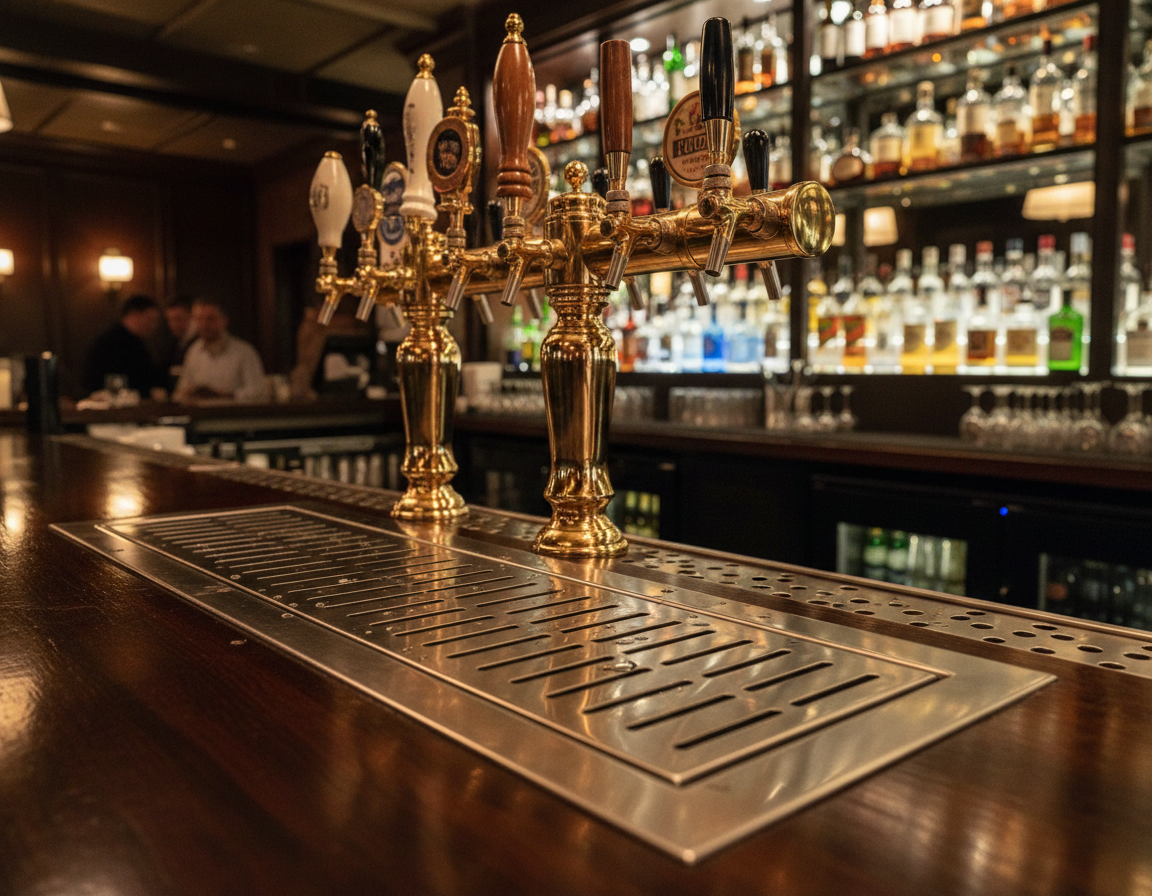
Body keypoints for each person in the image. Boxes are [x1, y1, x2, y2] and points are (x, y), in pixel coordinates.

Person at [173, 298, 271, 403]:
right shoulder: (194, 352)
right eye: (199, 319)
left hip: (232, 417)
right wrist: (189, 392)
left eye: (210, 319)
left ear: (224, 320)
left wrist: (226, 395)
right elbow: (179, 393)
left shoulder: (244, 352)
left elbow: (259, 392)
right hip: (201, 417)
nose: (204, 325)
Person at [81, 293, 168, 400]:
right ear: (134, 314)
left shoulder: (134, 341)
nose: (154, 326)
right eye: (150, 319)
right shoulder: (113, 343)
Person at [161, 295, 197, 391]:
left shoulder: (201, 342)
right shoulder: (171, 342)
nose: (173, 325)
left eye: (178, 319)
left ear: (192, 317)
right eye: (170, 320)